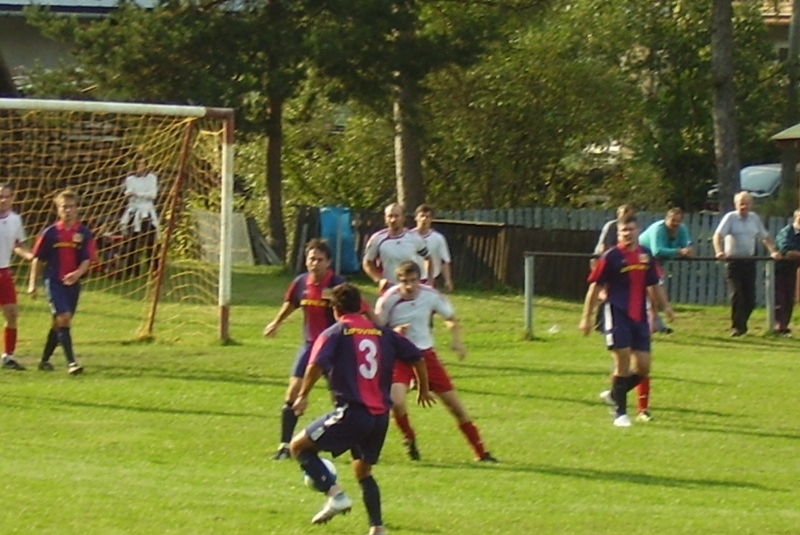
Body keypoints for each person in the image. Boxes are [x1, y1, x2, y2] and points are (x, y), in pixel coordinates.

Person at [289, 283, 435, 534]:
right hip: (379, 417)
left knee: (298, 447)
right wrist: (423, 388)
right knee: (363, 470)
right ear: (360, 306)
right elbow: (417, 357)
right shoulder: (384, 333)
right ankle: (377, 528)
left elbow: (316, 365)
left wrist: (302, 395)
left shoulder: (335, 332)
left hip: (352, 412)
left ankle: (335, 495)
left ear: (335, 309)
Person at [376, 260, 497, 462]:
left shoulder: (430, 295)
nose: (409, 286)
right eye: (405, 281)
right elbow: (377, 330)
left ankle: (481, 452)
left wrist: (457, 340)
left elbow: (450, 317)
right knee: (396, 401)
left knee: (455, 407)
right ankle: (409, 438)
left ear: (419, 279)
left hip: (426, 356)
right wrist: (393, 333)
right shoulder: (388, 300)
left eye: (413, 281)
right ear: (398, 281)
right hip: (399, 357)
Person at [264, 238, 372, 460]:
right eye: (311, 259)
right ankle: (285, 445)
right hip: (310, 346)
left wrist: (379, 329)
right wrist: (276, 322)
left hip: (336, 348)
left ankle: (355, 447)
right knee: (292, 392)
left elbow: (362, 308)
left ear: (328, 262)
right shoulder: (301, 283)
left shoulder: (338, 285)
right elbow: (292, 303)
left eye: (320, 259)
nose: (315, 263)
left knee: (341, 399)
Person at [579, 215, 674, 427]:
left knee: (643, 368)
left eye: (631, 229)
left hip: (639, 315)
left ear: (637, 231)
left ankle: (614, 394)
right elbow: (594, 288)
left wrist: (665, 307)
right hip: (617, 312)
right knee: (622, 359)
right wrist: (586, 318)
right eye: (624, 230)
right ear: (619, 233)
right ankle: (620, 414)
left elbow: (654, 284)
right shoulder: (611, 257)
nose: (628, 233)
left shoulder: (644, 256)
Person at [28, 189, 97, 375]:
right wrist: (32, 284)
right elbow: (37, 259)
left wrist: (77, 273)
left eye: (71, 207)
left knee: (59, 322)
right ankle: (72, 363)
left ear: (77, 209)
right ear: (58, 209)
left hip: (73, 284)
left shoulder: (84, 233)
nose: (68, 210)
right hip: (54, 281)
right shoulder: (49, 233)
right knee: (64, 317)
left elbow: (87, 259)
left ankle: (44, 360)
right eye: (64, 207)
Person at [713, 191, 781, 337]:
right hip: (733, 261)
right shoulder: (730, 218)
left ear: (751, 204)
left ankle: (742, 325)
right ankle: (737, 327)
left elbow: (765, 237)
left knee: (750, 299)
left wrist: (773, 251)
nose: (743, 206)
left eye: (746, 203)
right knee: (738, 294)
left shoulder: (754, 218)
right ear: (736, 204)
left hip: (749, 261)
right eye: (740, 203)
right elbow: (718, 236)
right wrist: (719, 251)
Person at [0, 183, 34, 371]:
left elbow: (18, 244)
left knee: (12, 313)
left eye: (7, 196)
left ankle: (8, 356)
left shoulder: (15, 220)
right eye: (0, 196)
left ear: (12, 198)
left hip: (4, 272)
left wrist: (31, 257)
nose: (3, 200)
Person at [362, 203, 431, 289]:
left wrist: (429, 279)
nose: (393, 220)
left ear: (403, 218)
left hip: (411, 288)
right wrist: (379, 279)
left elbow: (428, 258)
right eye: (390, 216)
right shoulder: (377, 239)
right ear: (385, 218)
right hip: (389, 288)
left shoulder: (414, 238)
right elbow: (367, 262)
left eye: (396, 216)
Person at [119, 159, 159, 277]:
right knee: (132, 242)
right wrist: (131, 194)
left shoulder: (151, 178)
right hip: (134, 211)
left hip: (147, 213)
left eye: (142, 164)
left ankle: (154, 270)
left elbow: (153, 194)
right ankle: (131, 271)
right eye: (138, 165)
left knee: (150, 243)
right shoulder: (130, 179)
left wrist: (137, 194)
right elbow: (128, 193)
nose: (140, 167)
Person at [412, 204, 453, 292]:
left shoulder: (438, 238)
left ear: (431, 219)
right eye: (422, 216)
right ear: (416, 218)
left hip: (430, 279)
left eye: (427, 217)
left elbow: (444, 261)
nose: (424, 219)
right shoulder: (409, 237)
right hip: (411, 278)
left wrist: (447, 280)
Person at [773, 208, 800, 336]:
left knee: (789, 299)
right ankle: (779, 326)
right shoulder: (787, 232)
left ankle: (785, 326)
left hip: (794, 269)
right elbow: (786, 251)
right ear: (795, 218)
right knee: (781, 298)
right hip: (782, 269)